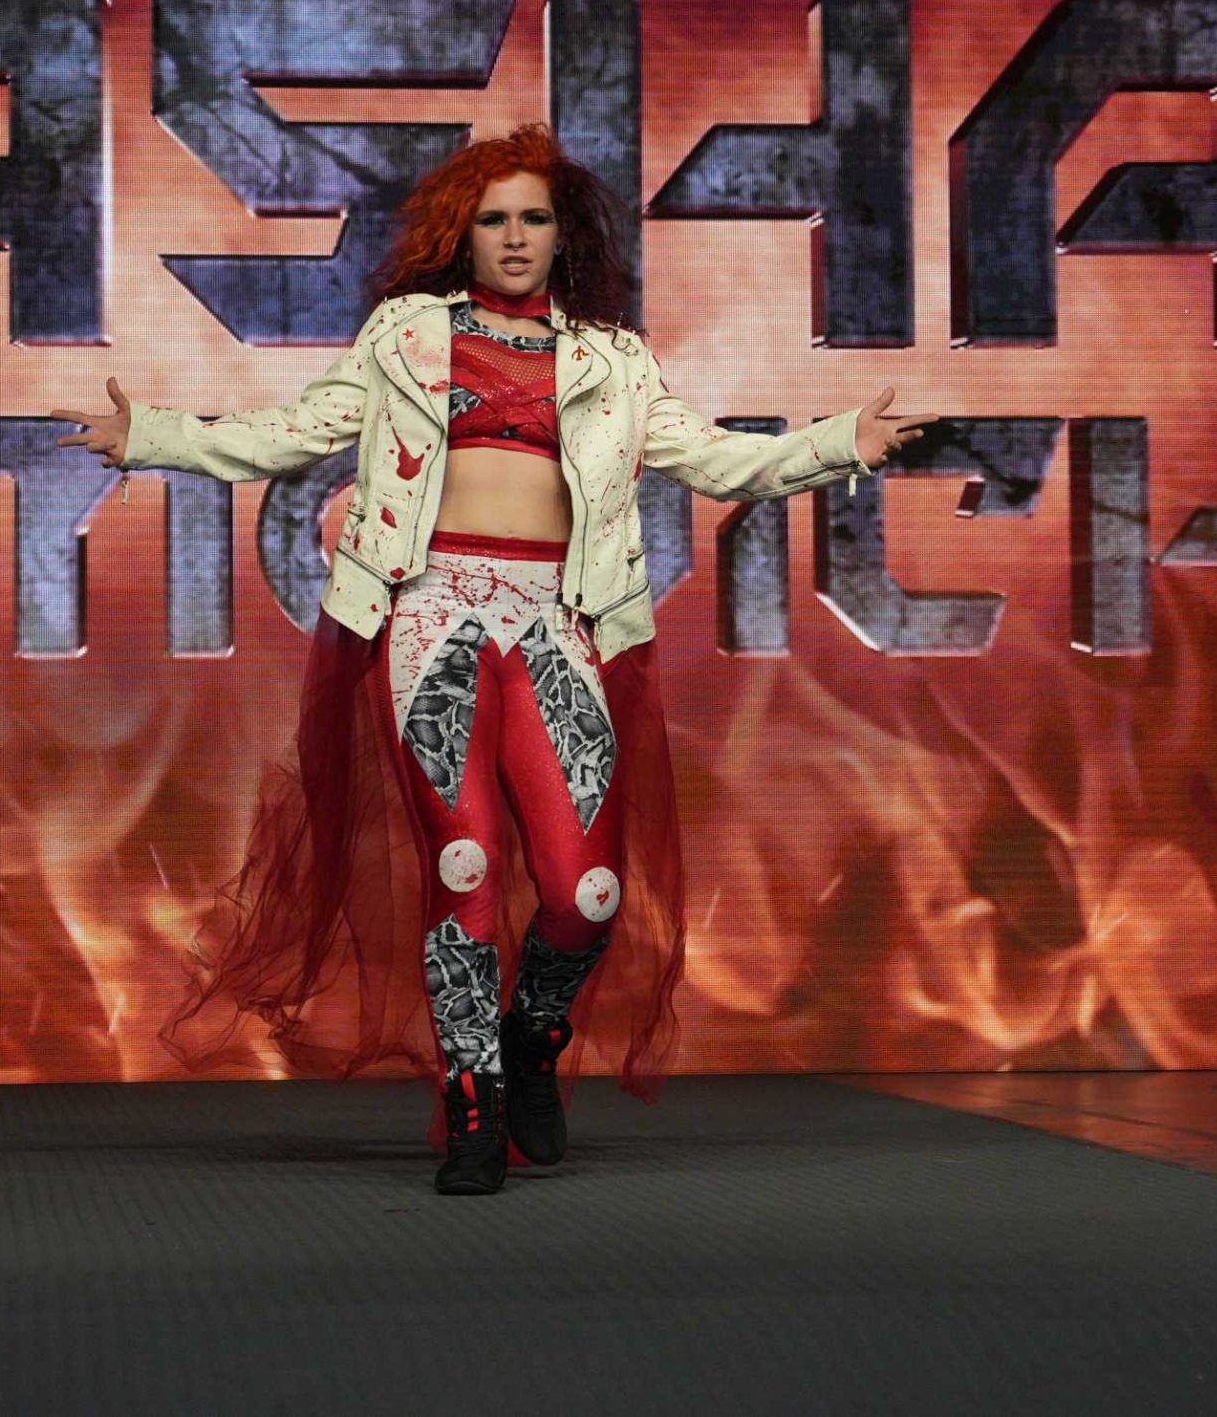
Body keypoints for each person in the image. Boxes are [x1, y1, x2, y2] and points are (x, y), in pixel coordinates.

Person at [55, 123, 933, 1194]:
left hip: (559, 620)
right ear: (460, 234)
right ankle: (472, 1098)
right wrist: (151, 435)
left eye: (533, 218)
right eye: (493, 219)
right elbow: (293, 432)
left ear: (563, 235)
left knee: (588, 893)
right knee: (463, 863)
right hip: (431, 614)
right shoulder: (405, 335)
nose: (514, 237)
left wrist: (842, 444)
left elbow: (713, 460)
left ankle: (531, 1038)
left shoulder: (612, 358)